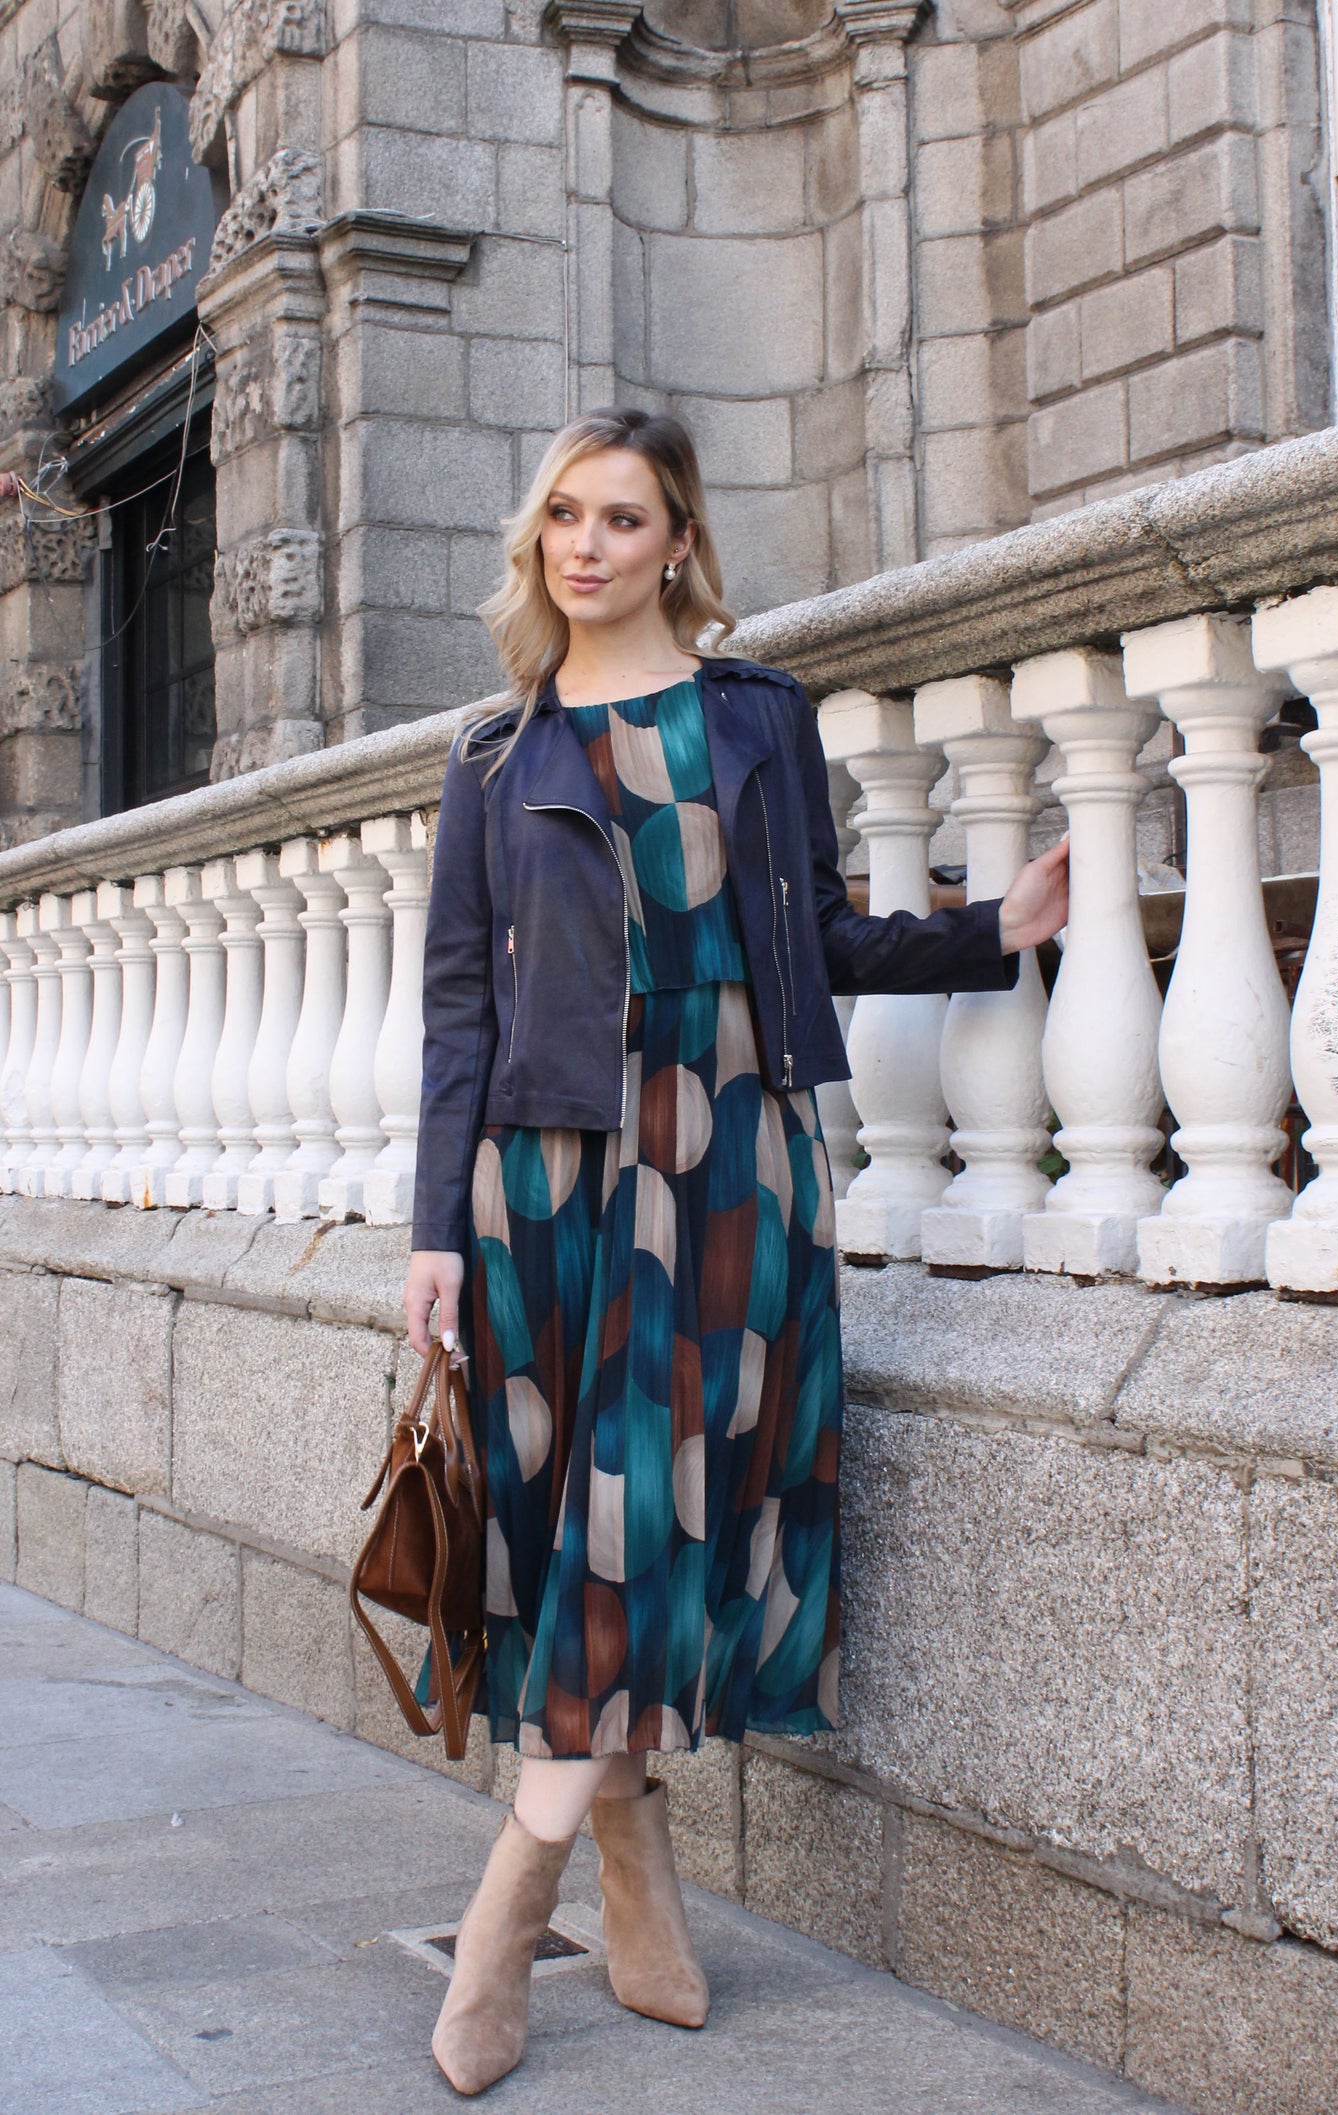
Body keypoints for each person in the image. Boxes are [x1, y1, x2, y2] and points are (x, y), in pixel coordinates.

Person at [402, 407, 1069, 2095]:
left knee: (640, 1517)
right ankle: (635, 1876)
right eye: (563, 514)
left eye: (623, 519)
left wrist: (989, 931)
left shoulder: (757, 721)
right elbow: (459, 1013)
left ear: (679, 543)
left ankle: (502, 1925)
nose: (587, 546)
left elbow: (814, 931)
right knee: (583, 1529)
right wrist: (430, 1238)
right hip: (544, 1172)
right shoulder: (492, 757)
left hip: (730, 1157)